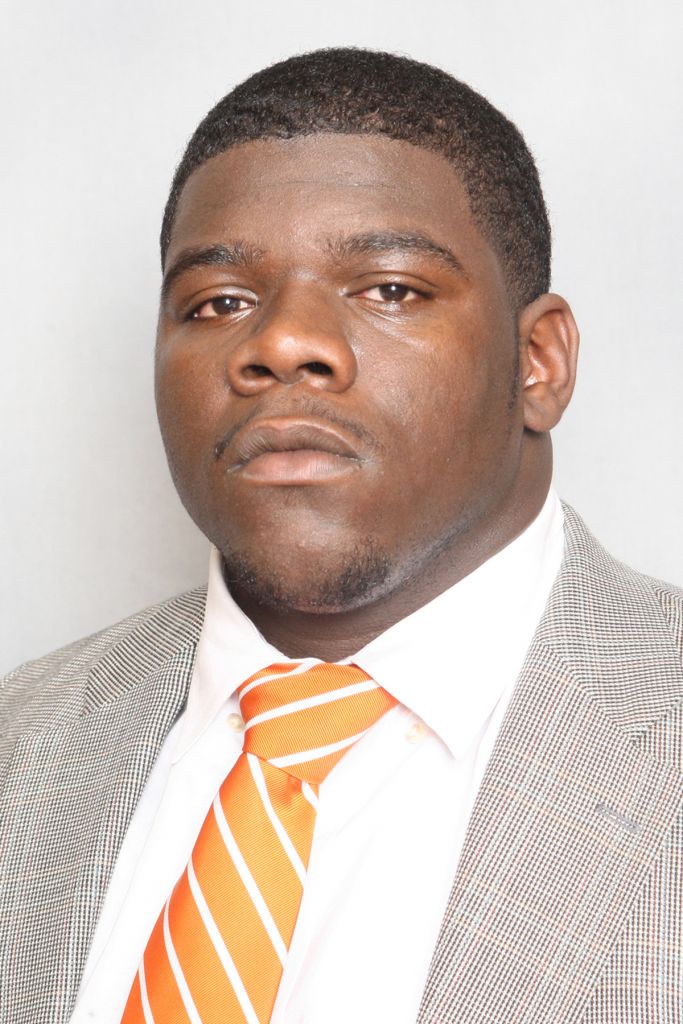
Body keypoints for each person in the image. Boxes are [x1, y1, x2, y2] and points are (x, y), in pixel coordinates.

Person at [1, 47, 681, 1024]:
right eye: (219, 301)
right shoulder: (20, 743)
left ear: (537, 362)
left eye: (388, 288)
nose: (280, 342)